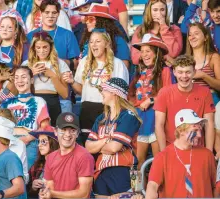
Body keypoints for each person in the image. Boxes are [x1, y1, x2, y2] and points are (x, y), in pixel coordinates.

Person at [146, 109, 217, 199]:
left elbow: (215, 186)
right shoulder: (163, 156)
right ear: (181, 130)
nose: (199, 135)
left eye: (200, 130)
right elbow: (152, 186)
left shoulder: (207, 155)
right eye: (195, 130)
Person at [86, 78, 141, 199]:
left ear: (115, 93)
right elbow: (87, 147)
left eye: (104, 90)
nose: (101, 93)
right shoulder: (101, 118)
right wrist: (106, 140)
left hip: (122, 171)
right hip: (100, 174)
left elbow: (114, 148)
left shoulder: (128, 116)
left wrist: (98, 145)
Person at [69, 30, 129, 142]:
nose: (94, 45)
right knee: (88, 145)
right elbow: (80, 91)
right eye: (91, 42)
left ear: (106, 44)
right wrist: (72, 82)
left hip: (107, 109)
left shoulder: (118, 64)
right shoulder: (84, 62)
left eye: (98, 41)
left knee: (104, 144)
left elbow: (122, 95)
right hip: (87, 108)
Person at [128, 34, 173, 169]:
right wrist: (133, 107)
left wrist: (151, 100)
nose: (144, 55)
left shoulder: (165, 71)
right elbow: (131, 96)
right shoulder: (138, 73)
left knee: (158, 159)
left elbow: (169, 94)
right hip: (141, 119)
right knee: (138, 161)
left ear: (156, 53)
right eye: (142, 52)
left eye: (148, 51)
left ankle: (160, 190)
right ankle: (139, 190)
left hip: (156, 119)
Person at [154, 55, 215, 151]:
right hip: (172, 147)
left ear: (194, 72)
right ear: (174, 72)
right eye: (180, 72)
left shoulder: (205, 92)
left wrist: (209, 151)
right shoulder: (164, 92)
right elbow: (159, 125)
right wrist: (164, 152)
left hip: (197, 148)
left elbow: (209, 124)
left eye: (188, 72)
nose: (184, 76)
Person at [39, 112, 94, 199]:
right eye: (63, 130)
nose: (67, 134)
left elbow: (83, 194)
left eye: (72, 130)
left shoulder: (84, 156)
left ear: (78, 133)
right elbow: (49, 188)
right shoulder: (50, 158)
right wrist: (44, 194)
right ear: (55, 131)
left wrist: (52, 194)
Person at [1, 66, 50, 169]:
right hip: (9, 144)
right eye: (16, 78)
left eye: (23, 77)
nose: (20, 81)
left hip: (30, 144)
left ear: (31, 80)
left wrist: (27, 138)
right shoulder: (6, 103)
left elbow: (45, 127)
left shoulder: (39, 101)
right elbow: (0, 125)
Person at [23, 31, 69, 126]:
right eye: (38, 47)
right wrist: (30, 74)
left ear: (51, 47)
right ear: (34, 48)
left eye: (45, 47)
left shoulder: (60, 64)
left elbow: (65, 94)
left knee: (52, 136)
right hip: (32, 101)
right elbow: (18, 89)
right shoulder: (26, 64)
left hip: (52, 102)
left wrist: (53, 76)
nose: (41, 51)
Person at [27, 0, 80, 66]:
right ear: (41, 13)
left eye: (54, 12)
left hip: (61, 74)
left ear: (58, 14)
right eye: (47, 12)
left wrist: (60, 62)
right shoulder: (30, 36)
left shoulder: (68, 35)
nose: (50, 16)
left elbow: (77, 63)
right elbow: (26, 62)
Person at [131, 0, 183, 66]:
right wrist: (163, 57)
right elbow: (135, 58)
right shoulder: (140, 29)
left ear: (166, 11)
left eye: (162, 10)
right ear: (149, 11)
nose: (159, 14)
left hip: (168, 71)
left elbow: (173, 53)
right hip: (147, 72)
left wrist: (163, 26)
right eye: (155, 10)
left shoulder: (175, 29)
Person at [79, 3, 130, 68]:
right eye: (86, 19)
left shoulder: (118, 40)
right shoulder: (88, 40)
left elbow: (124, 68)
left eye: (91, 19)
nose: (87, 22)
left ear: (101, 21)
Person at [27, 125, 59, 199]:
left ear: (53, 142)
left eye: (43, 141)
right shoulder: (36, 166)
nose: (39, 145)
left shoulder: (63, 164)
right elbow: (26, 194)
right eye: (38, 141)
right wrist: (33, 188)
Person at [186, 23, 220, 105]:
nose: (192, 37)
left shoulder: (214, 57)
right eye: (190, 35)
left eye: (196, 33)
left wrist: (203, 76)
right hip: (190, 101)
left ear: (206, 37)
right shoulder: (185, 60)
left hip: (210, 101)